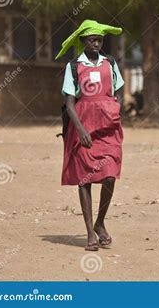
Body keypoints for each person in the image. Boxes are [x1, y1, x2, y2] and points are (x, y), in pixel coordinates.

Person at [57, 20, 124, 251]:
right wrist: (81, 130)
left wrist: (116, 110)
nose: (96, 43)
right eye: (92, 40)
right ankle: (89, 232)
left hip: (109, 127)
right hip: (84, 128)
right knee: (85, 179)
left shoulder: (110, 63)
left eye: (99, 40)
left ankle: (100, 221)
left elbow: (118, 91)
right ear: (83, 41)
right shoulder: (74, 67)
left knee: (109, 175)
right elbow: (69, 102)